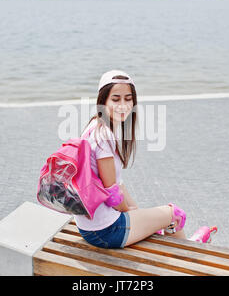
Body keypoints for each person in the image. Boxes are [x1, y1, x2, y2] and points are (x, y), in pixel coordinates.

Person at [74, 69, 188, 249]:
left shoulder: (93, 126)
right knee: (176, 214)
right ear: (103, 100)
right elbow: (112, 194)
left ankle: (175, 245)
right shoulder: (104, 135)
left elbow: (118, 184)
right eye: (116, 99)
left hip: (88, 227)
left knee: (154, 222)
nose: (123, 105)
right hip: (107, 231)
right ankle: (187, 255)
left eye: (128, 99)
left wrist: (136, 211)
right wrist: (128, 211)